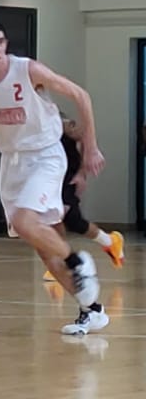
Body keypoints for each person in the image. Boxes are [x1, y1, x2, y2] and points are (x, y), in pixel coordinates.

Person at [0, 22, 104, 335]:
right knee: (46, 248)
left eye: (1, 41)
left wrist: (91, 147)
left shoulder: (28, 70)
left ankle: (78, 262)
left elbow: (81, 95)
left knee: (25, 222)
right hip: (11, 163)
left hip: (44, 156)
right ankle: (92, 310)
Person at [41, 117, 127, 310]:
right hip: (48, 177)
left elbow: (86, 135)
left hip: (67, 178)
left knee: (71, 220)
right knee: (56, 221)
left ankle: (110, 241)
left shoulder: (60, 122)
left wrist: (82, 172)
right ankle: (62, 261)